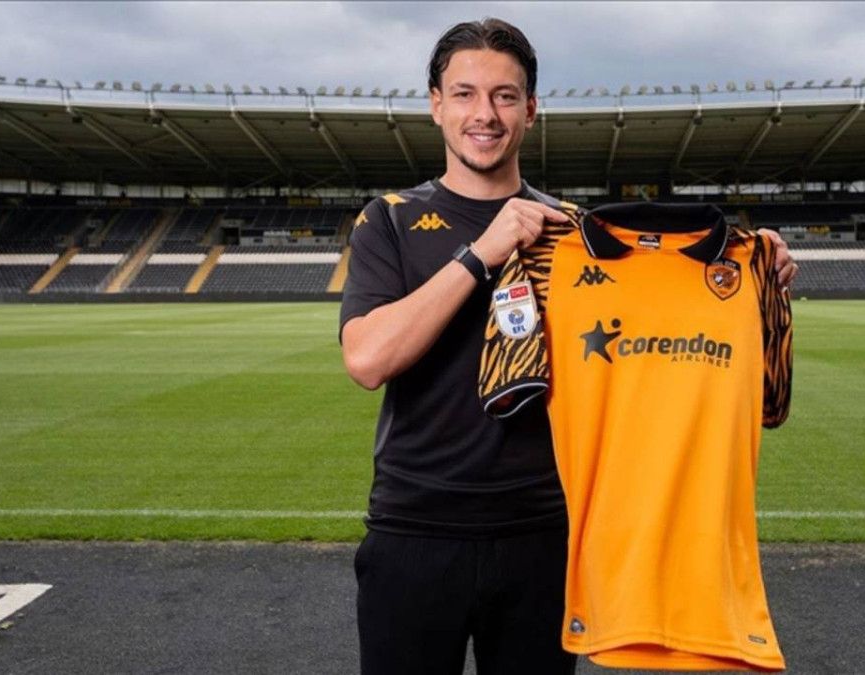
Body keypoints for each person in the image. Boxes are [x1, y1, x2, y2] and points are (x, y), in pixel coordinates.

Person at [339, 18, 798, 675]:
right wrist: (483, 252)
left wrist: (747, 275)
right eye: (465, 94)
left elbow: (663, 334)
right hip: (414, 528)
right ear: (436, 104)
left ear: (530, 109)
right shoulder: (389, 217)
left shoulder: (580, 234)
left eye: (504, 96)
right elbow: (367, 359)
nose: (484, 114)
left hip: (547, 533)